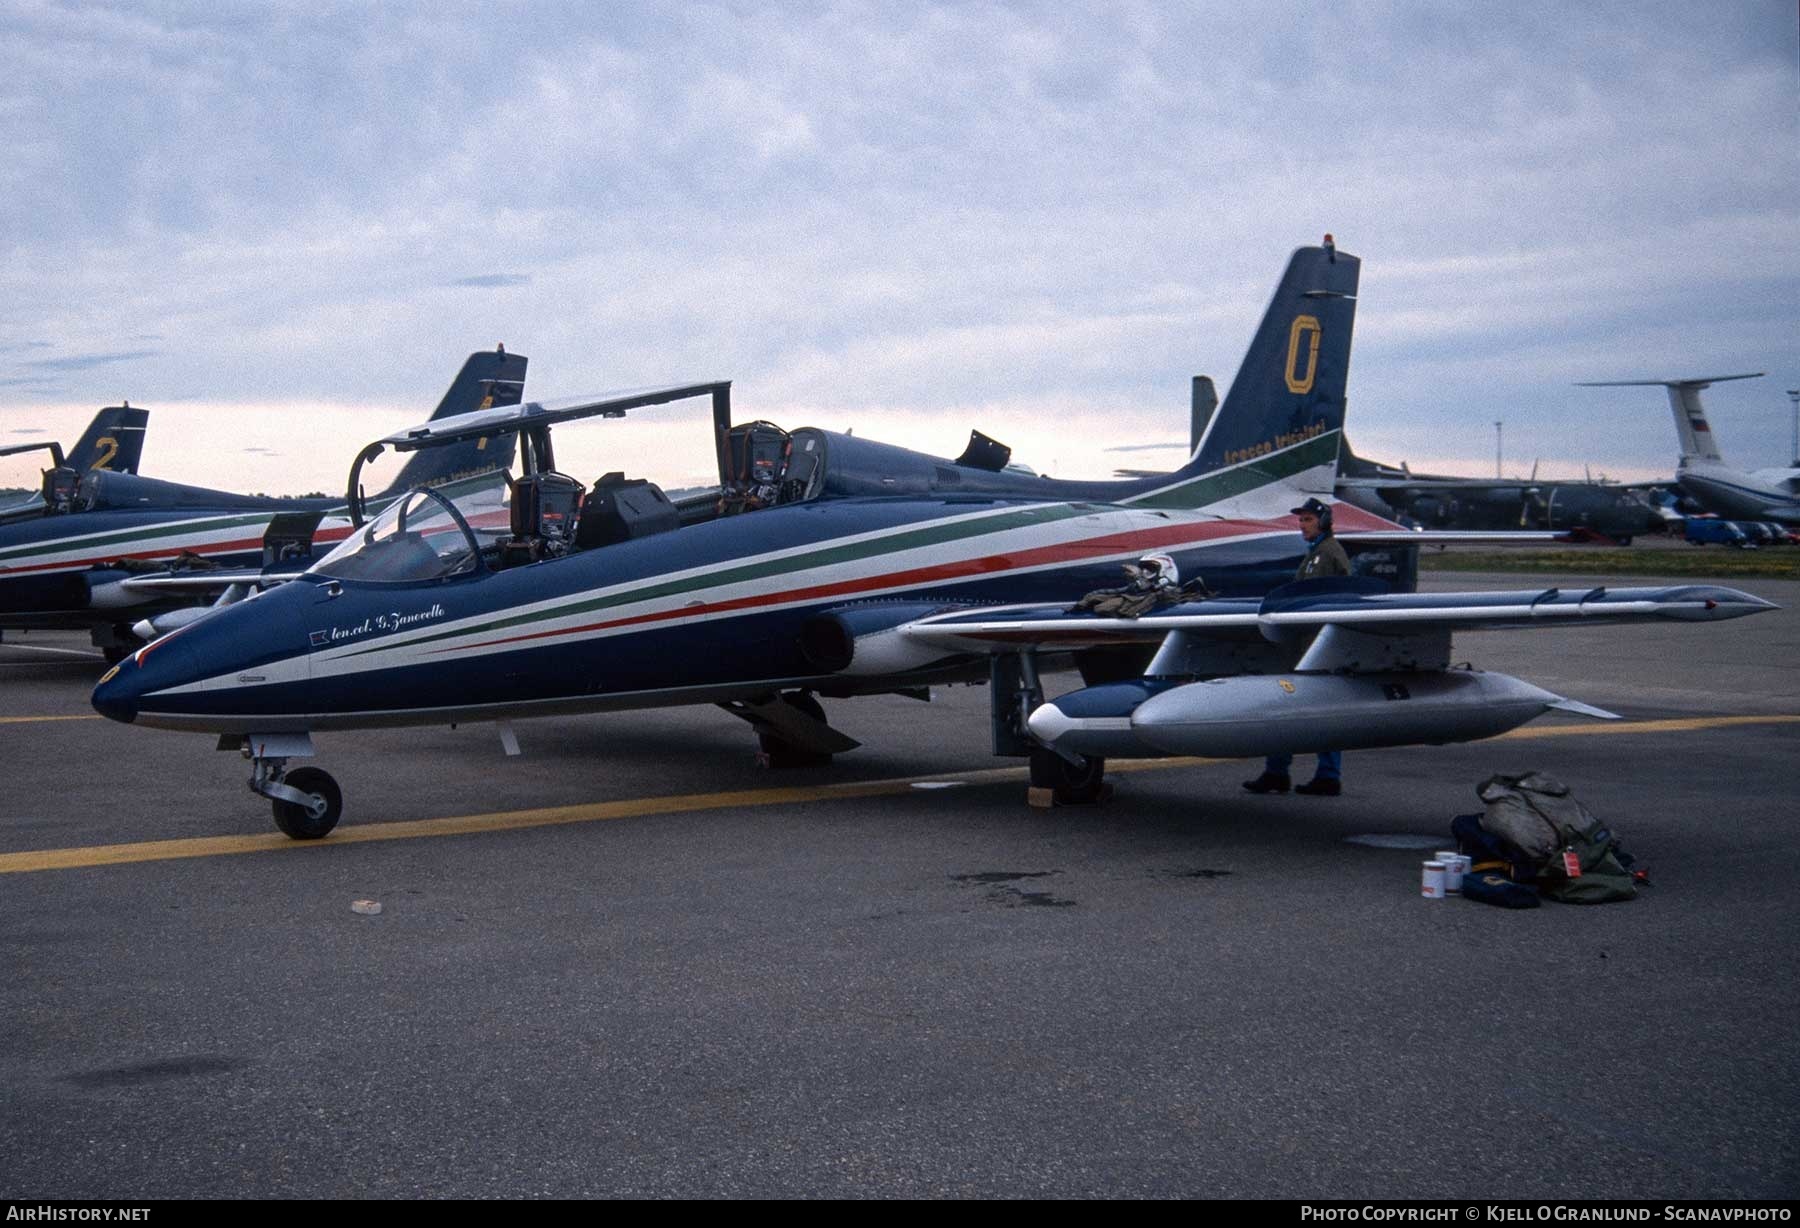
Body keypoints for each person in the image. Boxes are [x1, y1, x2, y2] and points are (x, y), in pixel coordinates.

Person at [1243, 497, 1350, 797]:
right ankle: (1279, 772)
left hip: (1313, 647)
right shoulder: (1317, 553)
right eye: (1300, 520)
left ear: (1323, 522)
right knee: (1290, 707)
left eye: (1307, 520)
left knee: (1320, 710)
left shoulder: (1325, 555)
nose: (1301, 525)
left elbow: (1311, 600)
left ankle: (1325, 776)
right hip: (1305, 645)